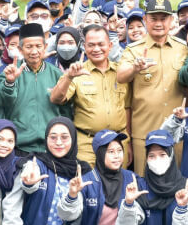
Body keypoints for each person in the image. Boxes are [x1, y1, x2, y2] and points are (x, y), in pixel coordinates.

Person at [2, 117, 91, 225]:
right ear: (46, 139)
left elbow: (78, 214)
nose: (58, 142)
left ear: (73, 138)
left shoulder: (79, 170)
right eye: (53, 137)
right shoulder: (34, 164)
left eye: (64, 137)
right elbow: (12, 204)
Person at [117, 0, 188, 175]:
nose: (158, 23)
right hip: (144, 133)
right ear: (145, 19)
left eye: (163, 19)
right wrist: (135, 67)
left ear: (171, 20)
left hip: (176, 132)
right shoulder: (133, 50)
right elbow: (120, 76)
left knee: (176, 183)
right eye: (153, 18)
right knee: (144, 185)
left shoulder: (183, 48)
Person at [56, 129, 141, 225]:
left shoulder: (131, 179)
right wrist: (72, 195)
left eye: (119, 150)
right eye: (110, 152)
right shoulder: (88, 181)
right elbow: (68, 216)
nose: (116, 156)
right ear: (100, 154)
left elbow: (140, 220)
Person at [50, 25, 130, 167]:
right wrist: (68, 77)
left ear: (110, 45)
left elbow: (128, 108)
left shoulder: (120, 72)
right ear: (84, 47)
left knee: (117, 186)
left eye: (101, 44)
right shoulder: (76, 72)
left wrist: (128, 143)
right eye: (91, 45)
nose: (96, 49)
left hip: (117, 143)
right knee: (88, 186)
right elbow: (55, 99)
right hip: (88, 145)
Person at [0, 23, 65, 154]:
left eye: (38, 46)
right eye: (29, 47)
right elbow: (4, 102)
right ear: (20, 49)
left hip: (52, 147)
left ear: (45, 47)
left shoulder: (56, 74)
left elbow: (66, 110)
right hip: (19, 147)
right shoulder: (10, 73)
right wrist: (10, 82)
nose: (34, 51)